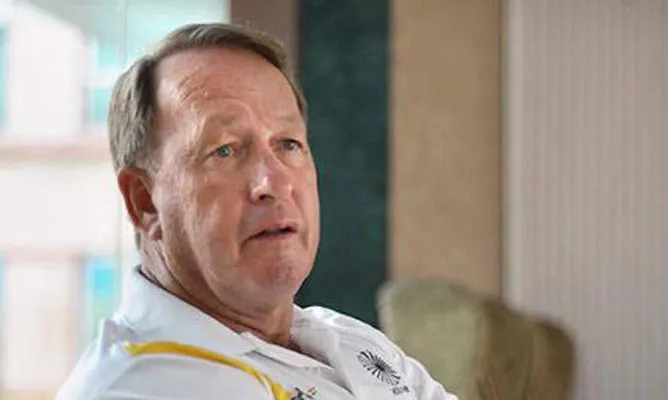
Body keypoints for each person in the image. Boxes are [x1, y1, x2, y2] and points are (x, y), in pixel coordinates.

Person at [57, 23, 457, 400]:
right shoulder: (138, 387)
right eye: (225, 150)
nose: (275, 182)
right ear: (145, 202)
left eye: (288, 144)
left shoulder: (349, 341)